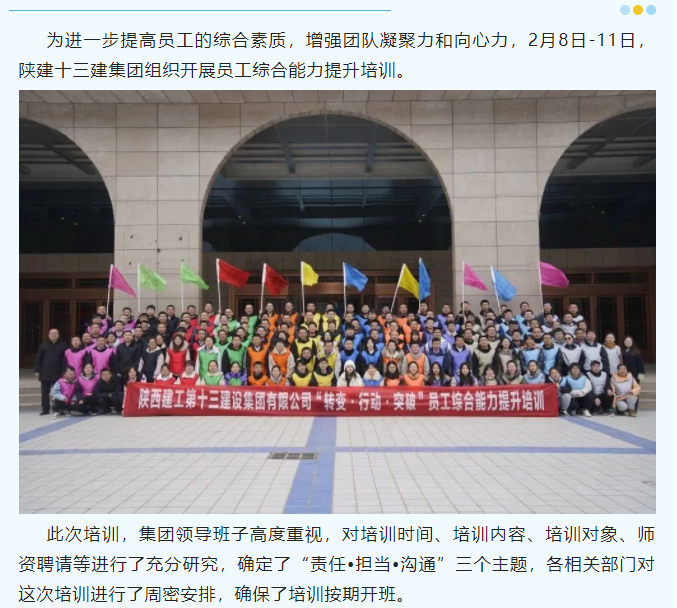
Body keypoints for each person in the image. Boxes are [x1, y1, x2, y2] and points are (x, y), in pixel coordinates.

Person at [34, 328, 68, 416]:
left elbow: (65, 360)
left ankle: (58, 409)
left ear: (58, 335)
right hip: (45, 372)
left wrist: (64, 371)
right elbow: (39, 358)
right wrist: (37, 370)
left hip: (58, 373)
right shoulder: (43, 345)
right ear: (48, 335)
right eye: (52, 333)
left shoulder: (63, 345)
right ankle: (45, 409)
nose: (53, 334)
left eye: (55, 333)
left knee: (58, 392)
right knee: (45, 393)